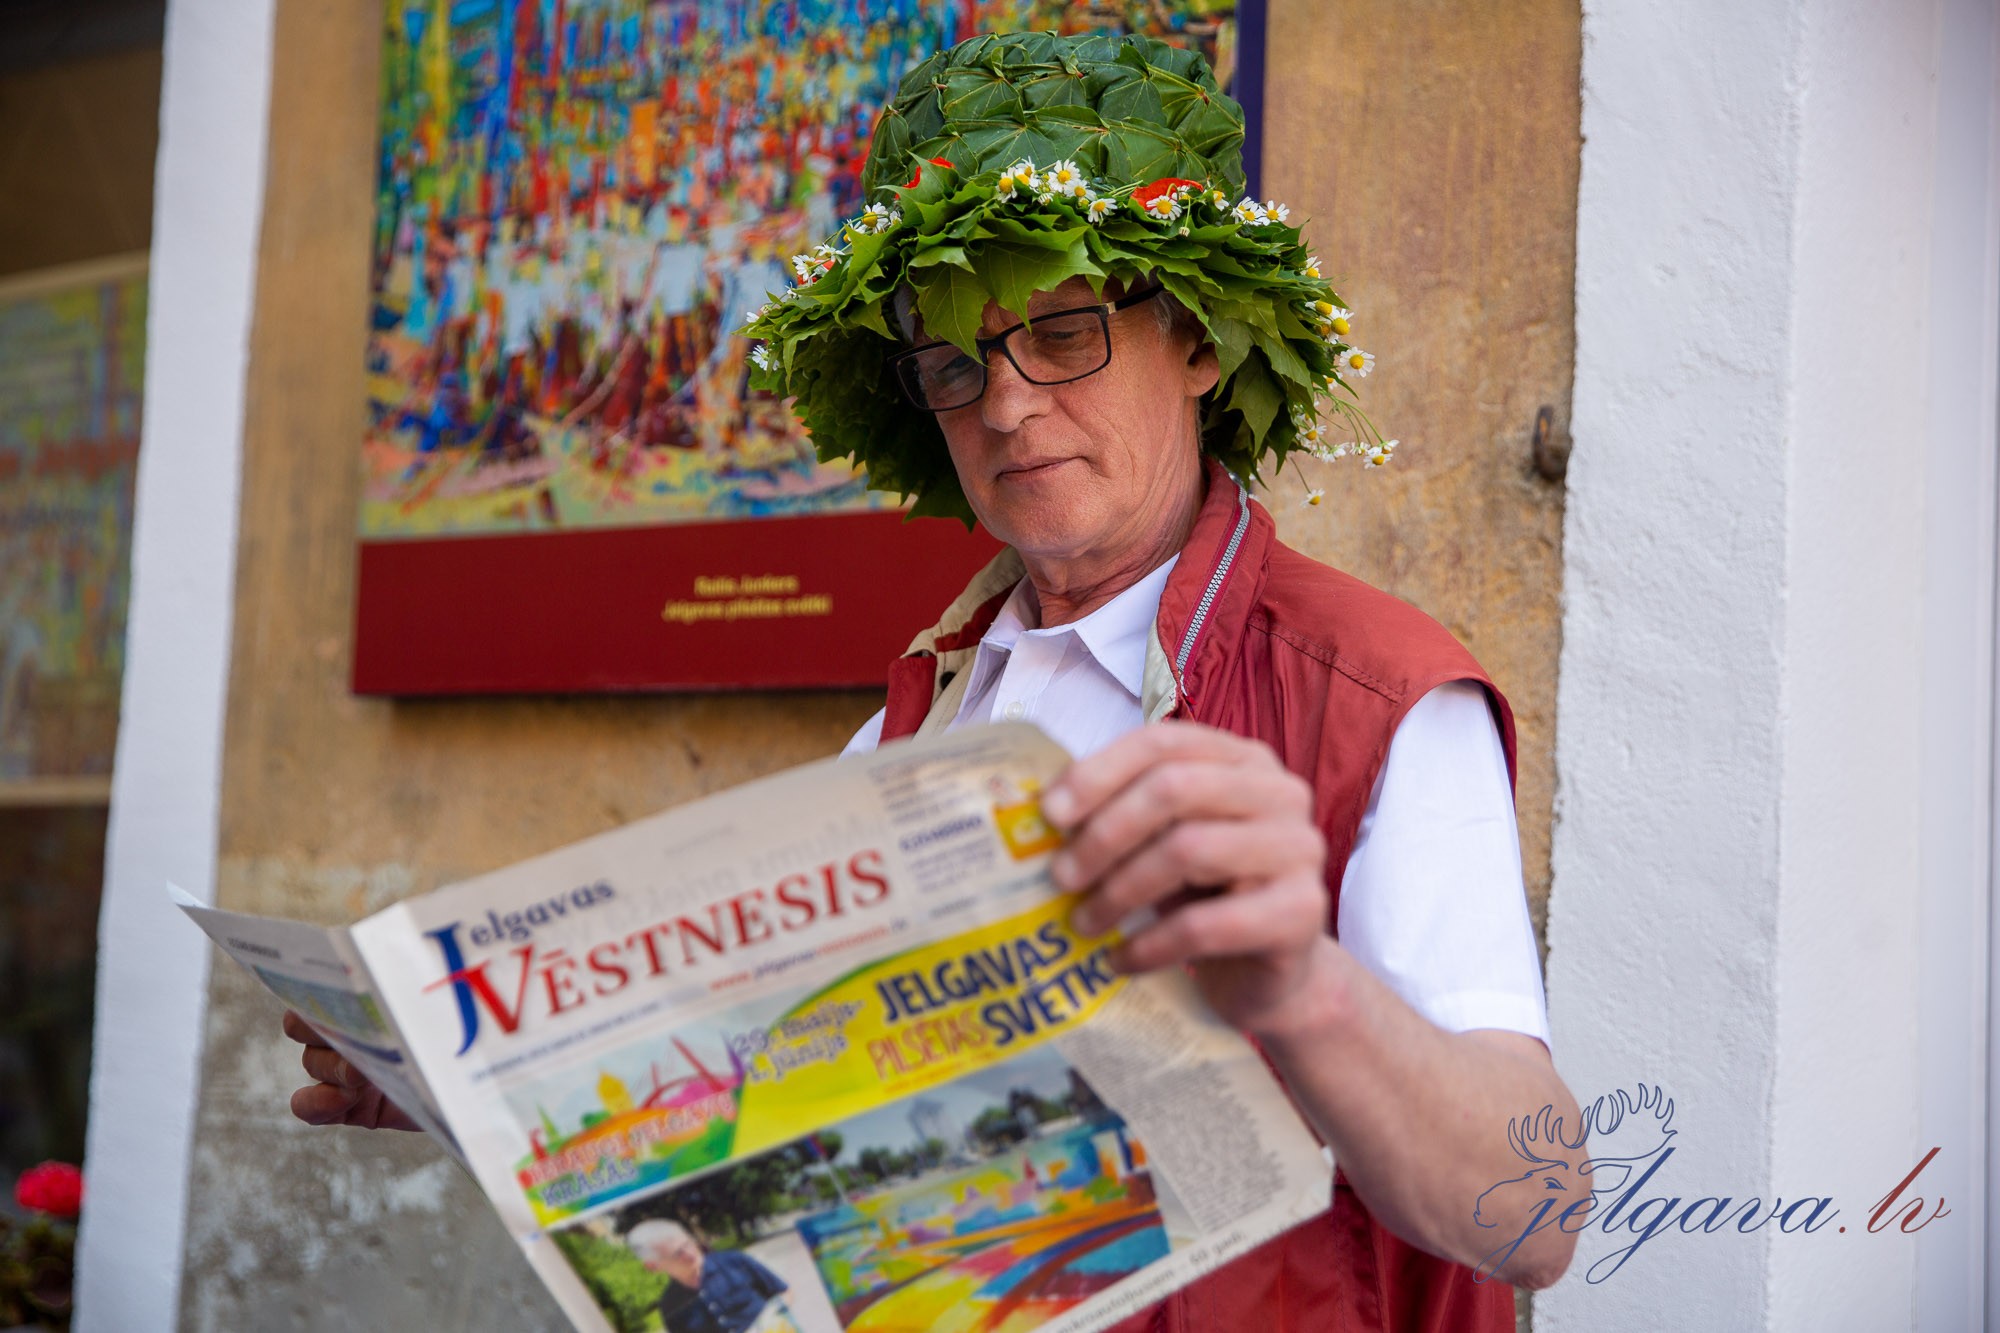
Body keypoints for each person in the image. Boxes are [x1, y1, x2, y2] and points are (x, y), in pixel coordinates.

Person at [289, 31, 1582, 1330]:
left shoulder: (1374, 695)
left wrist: (1302, 983)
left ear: (1194, 341)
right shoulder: (927, 707)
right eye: (956, 364)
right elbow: (784, 1129)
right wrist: (486, 1103)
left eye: (1064, 332)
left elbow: (1538, 1215)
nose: (1008, 409)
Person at [626, 1220, 794, 1333]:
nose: (690, 1254)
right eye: (678, 1254)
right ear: (652, 1266)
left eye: (688, 1243)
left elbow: (785, 1292)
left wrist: (772, 1316)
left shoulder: (735, 1261)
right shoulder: (669, 1305)